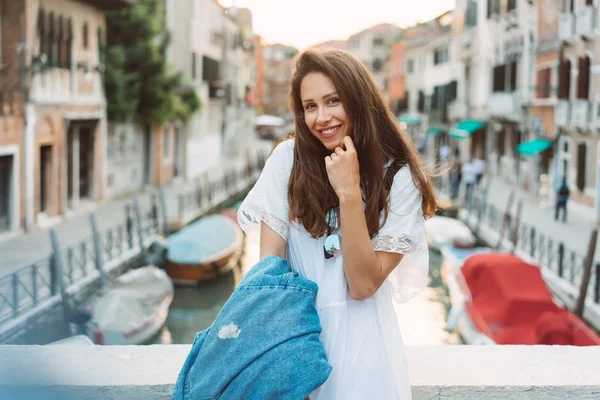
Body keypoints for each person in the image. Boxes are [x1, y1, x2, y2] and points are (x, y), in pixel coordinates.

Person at [238, 48, 437, 399]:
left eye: (333, 101)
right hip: (298, 347)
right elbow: (271, 274)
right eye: (310, 106)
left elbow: (362, 285)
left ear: (358, 100)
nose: (322, 117)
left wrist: (348, 193)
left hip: (366, 358)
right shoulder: (287, 161)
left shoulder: (399, 178)